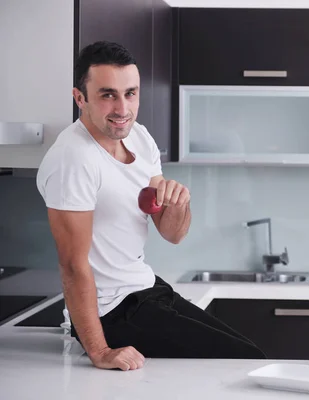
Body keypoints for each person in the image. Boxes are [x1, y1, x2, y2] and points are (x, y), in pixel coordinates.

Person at [36, 41, 265, 371]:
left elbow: (172, 233)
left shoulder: (139, 137)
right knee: (243, 363)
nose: (122, 108)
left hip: (146, 287)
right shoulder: (74, 159)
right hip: (111, 310)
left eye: (130, 93)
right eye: (107, 95)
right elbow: (72, 265)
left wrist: (179, 202)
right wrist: (99, 351)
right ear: (79, 98)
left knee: (250, 355)